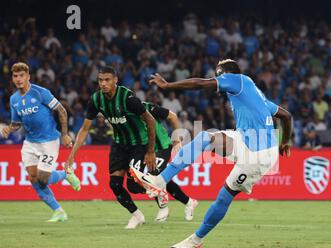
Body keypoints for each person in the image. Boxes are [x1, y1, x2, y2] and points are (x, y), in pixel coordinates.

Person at [130, 59, 292, 248]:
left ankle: (195, 240)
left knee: (225, 195)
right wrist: (285, 141)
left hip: (259, 155)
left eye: (219, 73)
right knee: (205, 138)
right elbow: (286, 115)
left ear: (228, 74)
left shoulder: (239, 80)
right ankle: (160, 181)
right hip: (246, 140)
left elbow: (201, 83)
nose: (217, 78)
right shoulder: (255, 94)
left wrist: (168, 85)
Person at [65, 66, 157, 229]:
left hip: (139, 143)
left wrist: (150, 151)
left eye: (107, 80)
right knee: (114, 184)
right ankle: (136, 215)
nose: (103, 83)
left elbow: (150, 120)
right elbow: (85, 129)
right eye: (100, 80)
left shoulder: (128, 98)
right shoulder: (96, 99)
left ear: (115, 80)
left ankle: (156, 184)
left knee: (133, 185)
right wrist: (72, 156)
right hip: (119, 143)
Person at [1, 62, 81, 222]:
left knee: (43, 179)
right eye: (15, 76)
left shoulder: (40, 93)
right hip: (30, 143)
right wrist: (9, 129)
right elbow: (17, 123)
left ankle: (66, 174)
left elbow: (61, 110)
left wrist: (64, 134)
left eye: (21, 75)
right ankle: (58, 212)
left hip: (49, 141)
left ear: (28, 76)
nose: (18, 79)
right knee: (33, 178)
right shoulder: (14, 99)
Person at [132, 100, 198, 222]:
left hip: (162, 146)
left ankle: (163, 208)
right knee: (147, 182)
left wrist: (177, 139)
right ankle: (189, 202)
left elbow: (172, 116)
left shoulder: (147, 107)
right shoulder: (124, 113)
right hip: (144, 149)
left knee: (153, 178)